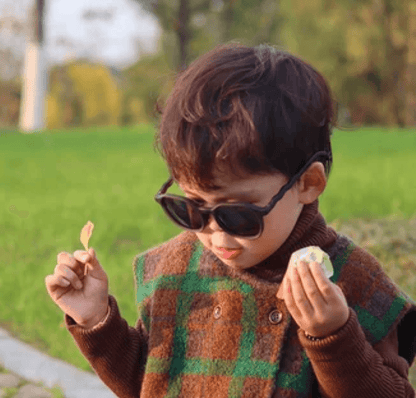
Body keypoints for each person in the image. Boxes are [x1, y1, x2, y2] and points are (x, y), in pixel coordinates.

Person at [45, 42, 416, 398]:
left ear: (308, 183)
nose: (213, 232)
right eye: (190, 208)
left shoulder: (353, 281)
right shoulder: (171, 272)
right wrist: (95, 320)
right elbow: (149, 385)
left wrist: (334, 336)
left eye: (237, 214)